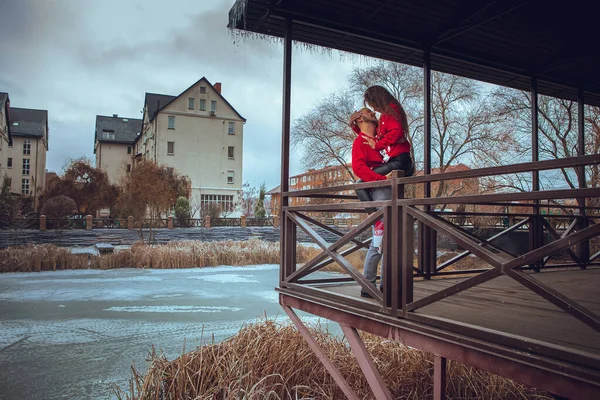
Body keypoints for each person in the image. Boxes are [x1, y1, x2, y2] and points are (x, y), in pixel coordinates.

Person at [350, 107, 388, 298]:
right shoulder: (359, 142)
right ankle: (369, 285)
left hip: (385, 191)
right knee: (380, 240)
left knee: (388, 240)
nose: (374, 116)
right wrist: (380, 179)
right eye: (369, 114)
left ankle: (382, 285)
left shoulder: (371, 141)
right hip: (380, 192)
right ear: (360, 120)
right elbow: (358, 168)